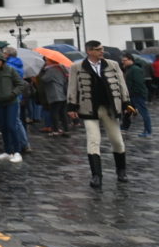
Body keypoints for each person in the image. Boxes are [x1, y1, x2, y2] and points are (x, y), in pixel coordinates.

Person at [68, 40, 133, 188]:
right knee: (93, 140)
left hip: (110, 108)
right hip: (89, 108)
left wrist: (126, 103)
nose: (101, 52)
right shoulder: (76, 67)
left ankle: (121, 171)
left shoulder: (113, 65)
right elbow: (72, 88)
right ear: (89, 51)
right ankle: (96, 175)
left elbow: (122, 85)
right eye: (98, 49)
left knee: (117, 140)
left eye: (101, 49)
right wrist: (71, 106)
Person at [0, 51, 24, 163]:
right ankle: (8, 151)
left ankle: (17, 152)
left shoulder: (11, 70)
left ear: (3, 61)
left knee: (11, 126)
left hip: (11, 102)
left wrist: (13, 94)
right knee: (3, 127)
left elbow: (21, 84)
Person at [120, 53, 151, 137]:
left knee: (143, 113)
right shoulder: (128, 69)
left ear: (130, 60)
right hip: (131, 95)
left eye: (125, 60)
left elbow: (139, 83)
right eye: (122, 60)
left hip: (137, 95)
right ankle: (124, 127)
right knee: (128, 111)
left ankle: (148, 131)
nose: (123, 62)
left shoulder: (135, 69)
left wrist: (137, 94)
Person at [39, 61, 69, 136]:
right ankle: (66, 129)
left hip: (55, 94)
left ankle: (55, 130)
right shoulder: (61, 68)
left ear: (50, 61)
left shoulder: (51, 70)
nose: (45, 62)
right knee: (62, 113)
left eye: (46, 60)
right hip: (62, 94)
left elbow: (44, 79)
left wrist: (42, 71)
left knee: (54, 113)